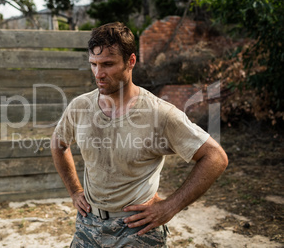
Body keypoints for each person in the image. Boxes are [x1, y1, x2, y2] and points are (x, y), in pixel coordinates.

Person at [51, 22, 228, 247]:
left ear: (131, 61)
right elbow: (58, 144)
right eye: (93, 64)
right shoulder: (80, 106)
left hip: (137, 228)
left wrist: (170, 206)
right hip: (88, 225)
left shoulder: (160, 113)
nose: (99, 73)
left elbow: (215, 157)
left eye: (108, 64)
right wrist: (75, 190)